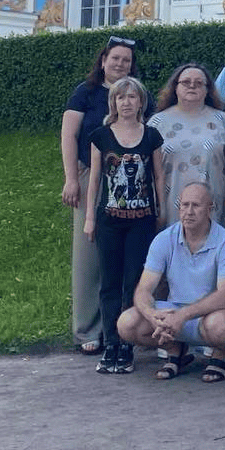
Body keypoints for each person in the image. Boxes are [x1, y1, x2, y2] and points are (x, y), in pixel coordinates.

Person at [60, 35, 143, 355]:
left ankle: (121, 327)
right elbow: (69, 136)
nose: (120, 64)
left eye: (126, 60)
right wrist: (71, 179)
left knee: (124, 255)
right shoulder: (86, 93)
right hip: (89, 176)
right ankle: (87, 329)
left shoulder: (137, 94)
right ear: (103, 61)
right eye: (115, 58)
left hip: (128, 179)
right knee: (89, 254)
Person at [117, 182, 225, 383]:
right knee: (126, 323)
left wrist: (183, 315)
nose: (189, 212)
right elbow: (143, 289)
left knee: (222, 327)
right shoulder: (164, 239)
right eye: (184, 205)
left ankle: (220, 354)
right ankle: (175, 350)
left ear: (210, 208)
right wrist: (151, 314)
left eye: (196, 205)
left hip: (210, 314)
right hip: (174, 310)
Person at [85, 77, 164, 374]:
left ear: (141, 102)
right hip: (109, 221)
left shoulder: (151, 136)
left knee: (133, 282)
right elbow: (95, 179)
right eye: (121, 97)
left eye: (132, 97)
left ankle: (127, 343)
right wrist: (90, 219)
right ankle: (111, 343)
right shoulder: (101, 136)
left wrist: (160, 212)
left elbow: (158, 177)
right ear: (113, 103)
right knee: (109, 282)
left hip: (141, 221)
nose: (126, 102)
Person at [148, 62, 225, 226]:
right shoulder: (157, 123)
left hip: (213, 212)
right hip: (168, 213)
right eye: (186, 82)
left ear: (207, 89)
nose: (192, 86)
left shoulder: (224, 122)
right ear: (175, 87)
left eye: (199, 83)